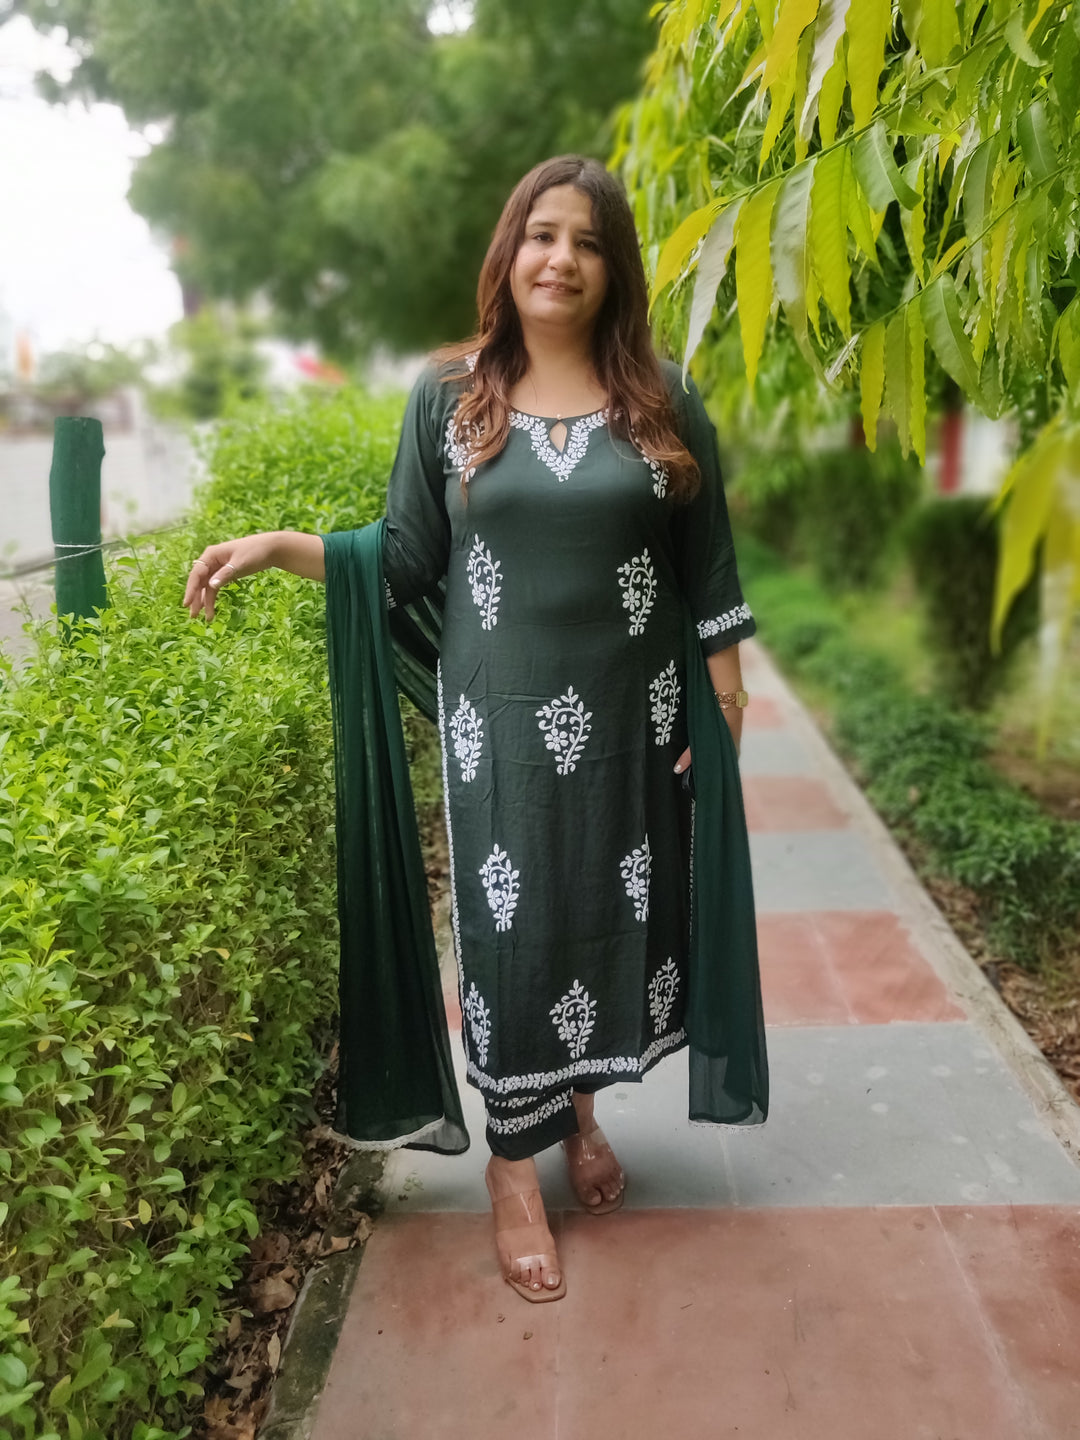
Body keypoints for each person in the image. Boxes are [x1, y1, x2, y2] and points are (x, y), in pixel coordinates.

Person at [183, 154, 766, 1306]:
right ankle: (511, 1163)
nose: (562, 259)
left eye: (588, 242)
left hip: (634, 724)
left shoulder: (661, 395)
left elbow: (709, 569)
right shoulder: (451, 395)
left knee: (604, 917)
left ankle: (580, 1117)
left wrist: (726, 709)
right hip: (497, 735)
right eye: (543, 235)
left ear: (615, 267)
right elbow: (404, 557)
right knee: (514, 934)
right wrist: (281, 549)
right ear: (510, 251)